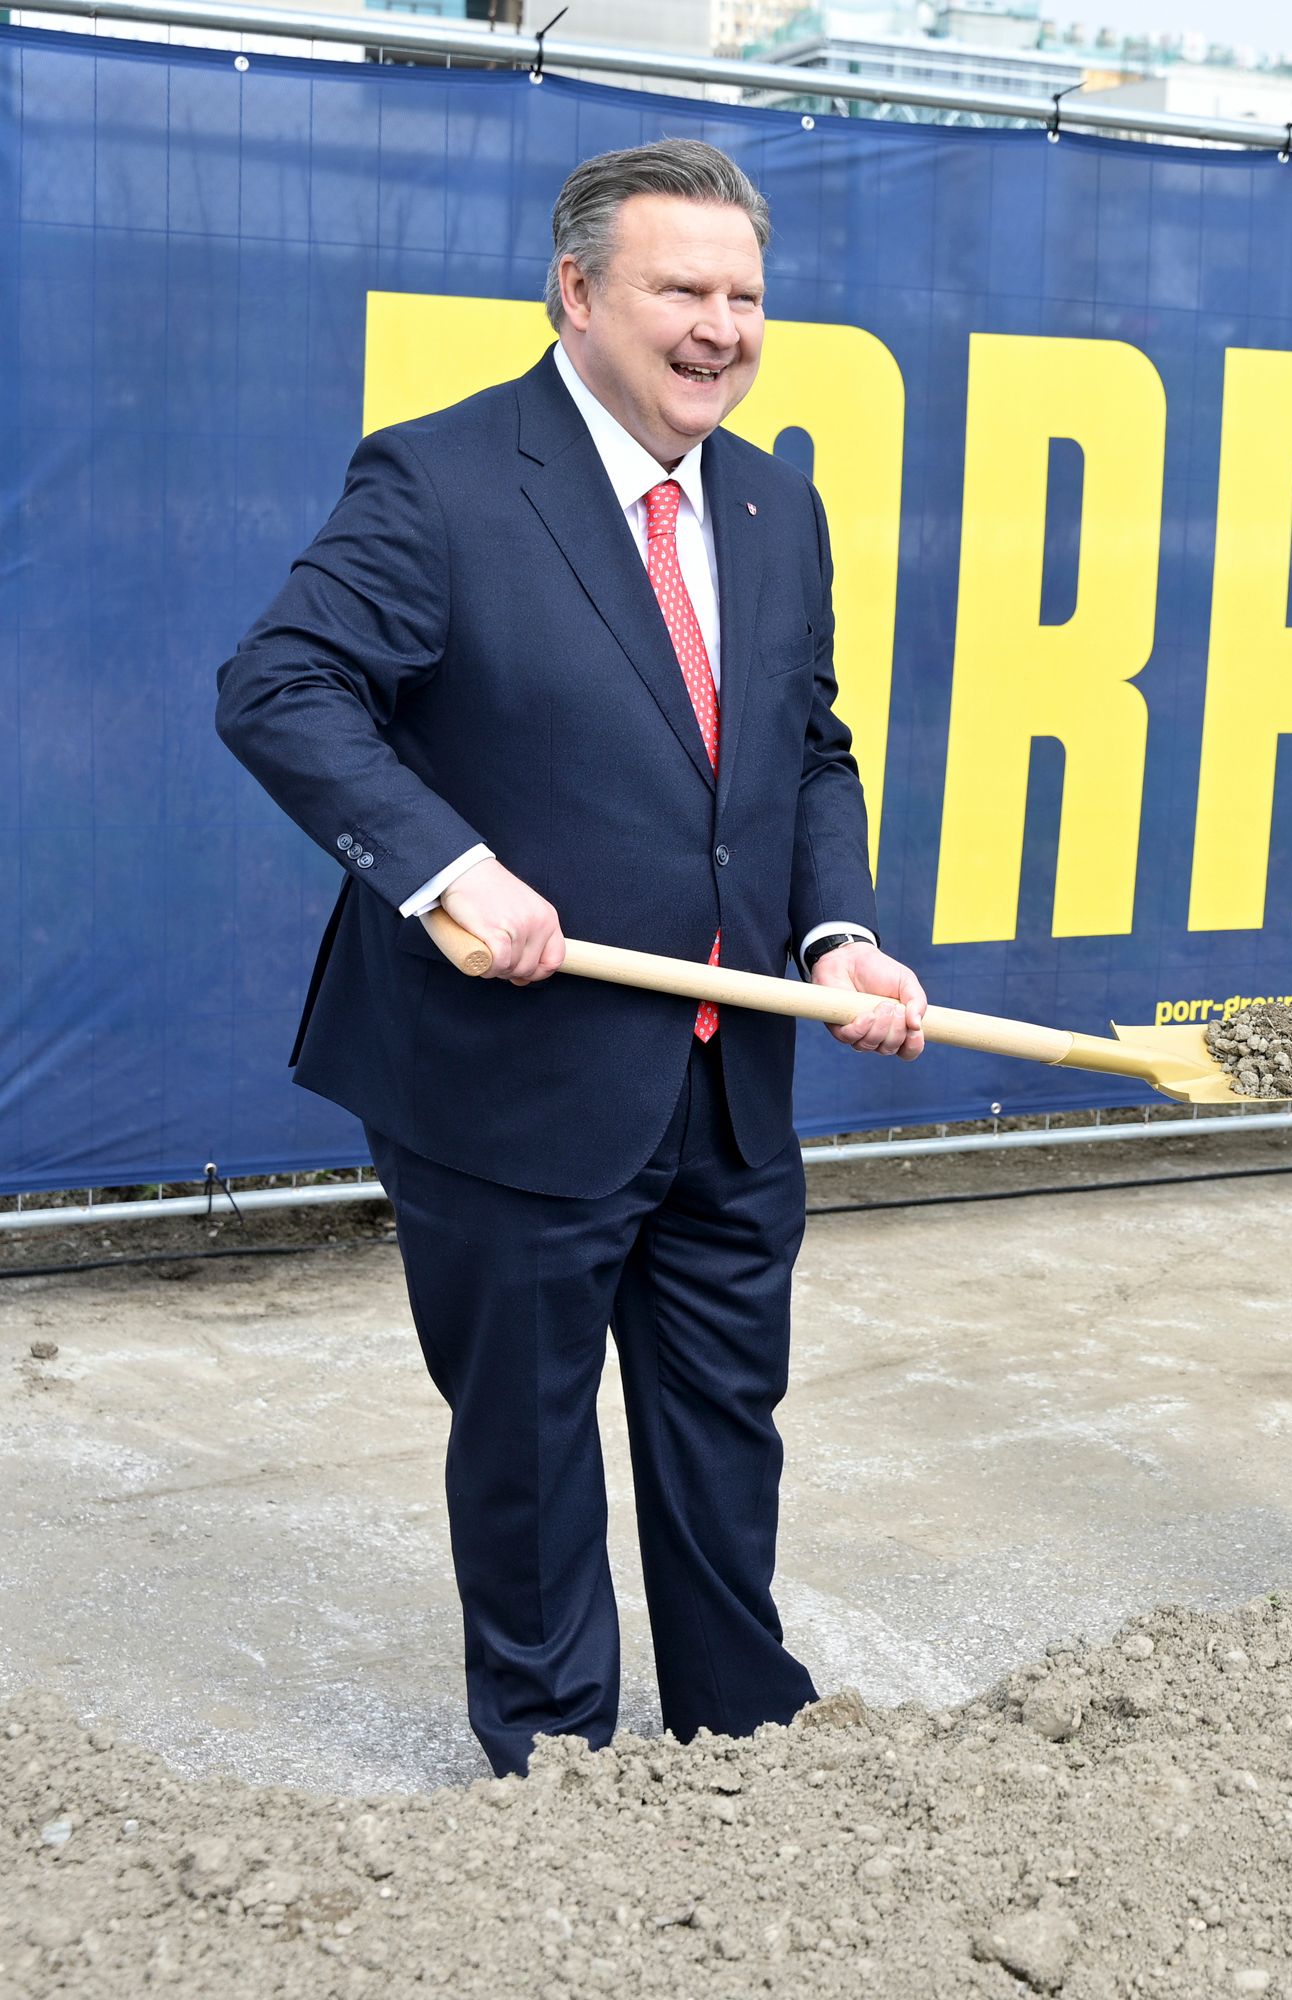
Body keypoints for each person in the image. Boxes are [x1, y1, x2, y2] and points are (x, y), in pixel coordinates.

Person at [215, 142, 928, 1776]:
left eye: (744, 295)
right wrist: (450, 869)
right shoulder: (442, 480)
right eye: (682, 288)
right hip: (509, 1082)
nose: (719, 327)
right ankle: (556, 1768)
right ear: (579, 294)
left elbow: (806, 750)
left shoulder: (776, 505)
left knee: (724, 1422)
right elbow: (281, 686)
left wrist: (838, 935)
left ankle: (739, 1727)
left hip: (729, 1076)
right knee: (529, 1446)